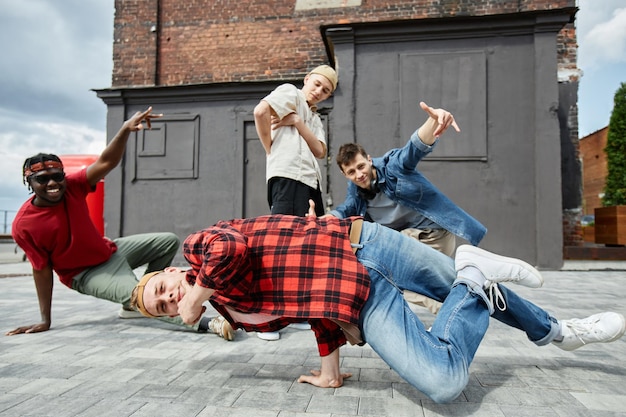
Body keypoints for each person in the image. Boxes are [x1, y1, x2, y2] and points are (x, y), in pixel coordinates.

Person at [129, 214, 625, 403]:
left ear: (169, 273)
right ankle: (475, 273)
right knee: (444, 382)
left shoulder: (198, 248)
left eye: (162, 289)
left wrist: (197, 296)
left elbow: (230, 248)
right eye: (163, 308)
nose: (170, 298)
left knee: (453, 283)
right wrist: (330, 370)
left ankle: (560, 330)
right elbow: (311, 308)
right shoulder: (235, 313)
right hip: (361, 298)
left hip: (365, 243)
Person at [7, 107, 232, 340]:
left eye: (57, 176)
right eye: (42, 179)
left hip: (110, 250)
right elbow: (41, 270)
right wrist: (46, 318)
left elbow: (106, 161)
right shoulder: (24, 225)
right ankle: (202, 322)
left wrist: (125, 128)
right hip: (85, 273)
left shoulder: (72, 185)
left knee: (167, 241)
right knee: (136, 293)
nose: (52, 183)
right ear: (29, 182)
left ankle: (138, 302)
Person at [329, 101, 487, 314]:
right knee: (395, 278)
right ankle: (465, 296)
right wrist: (323, 220)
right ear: (344, 174)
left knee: (395, 272)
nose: (359, 175)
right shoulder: (356, 190)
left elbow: (412, 150)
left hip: (434, 236)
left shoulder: (392, 167)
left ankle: (452, 307)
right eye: (351, 172)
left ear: (368, 160)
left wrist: (433, 121)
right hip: (412, 239)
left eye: (361, 166)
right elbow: (345, 209)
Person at [251, 64, 338, 340]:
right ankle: (267, 318)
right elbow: (260, 112)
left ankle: (294, 311)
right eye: (317, 85)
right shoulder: (290, 92)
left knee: (305, 248)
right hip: (287, 175)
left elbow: (320, 150)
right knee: (279, 244)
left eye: (326, 90)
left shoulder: (313, 117)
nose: (319, 92)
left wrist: (298, 122)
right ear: (307, 79)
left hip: (311, 182)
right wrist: (270, 148)